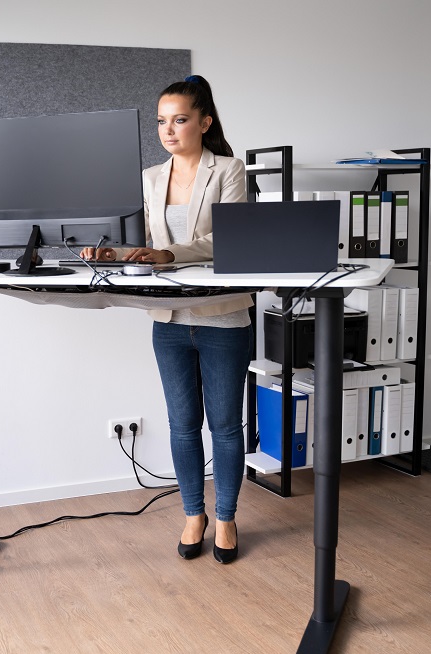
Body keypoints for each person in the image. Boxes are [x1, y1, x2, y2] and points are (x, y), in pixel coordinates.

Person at [82, 75, 252, 563]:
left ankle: (226, 519)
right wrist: (110, 251)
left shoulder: (229, 170)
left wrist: (167, 254)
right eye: (162, 121)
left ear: (204, 122)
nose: (169, 130)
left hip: (222, 315)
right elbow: (140, 242)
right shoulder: (149, 178)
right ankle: (193, 514)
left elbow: (228, 242)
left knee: (224, 426)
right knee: (182, 425)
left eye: (179, 120)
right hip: (169, 318)